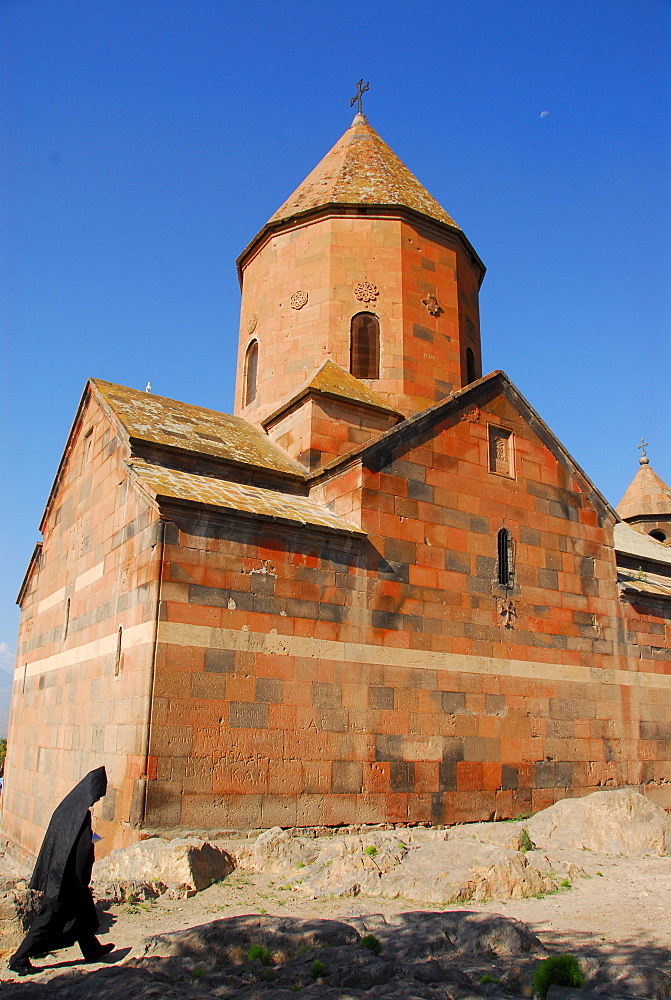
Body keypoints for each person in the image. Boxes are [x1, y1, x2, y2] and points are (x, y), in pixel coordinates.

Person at [8, 766, 114, 975]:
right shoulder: (81, 814)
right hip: (64, 878)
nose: (97, 801)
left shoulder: (67, 807)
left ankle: (92, 949)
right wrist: (84, 874)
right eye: (97, 796)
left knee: (81, 911)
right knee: (49, 917)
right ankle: (18, 958)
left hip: (57, 872)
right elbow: (83, 849)